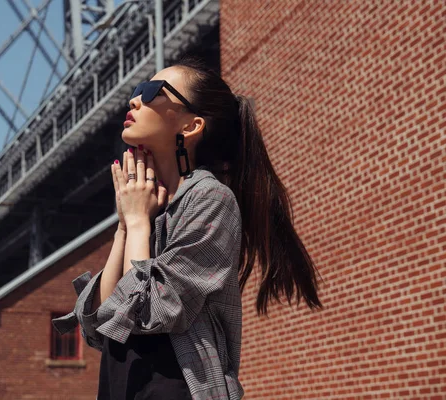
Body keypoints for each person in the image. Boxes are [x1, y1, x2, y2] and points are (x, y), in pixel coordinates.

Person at [52, 57, 324, 400]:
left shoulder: (211, 199)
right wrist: (125, 226)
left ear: (191, 126)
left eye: (151, 92)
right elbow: (101, 324)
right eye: (136, 90)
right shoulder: (147, 205)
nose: (134, 100)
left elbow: (149, 312)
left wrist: (136, 224)